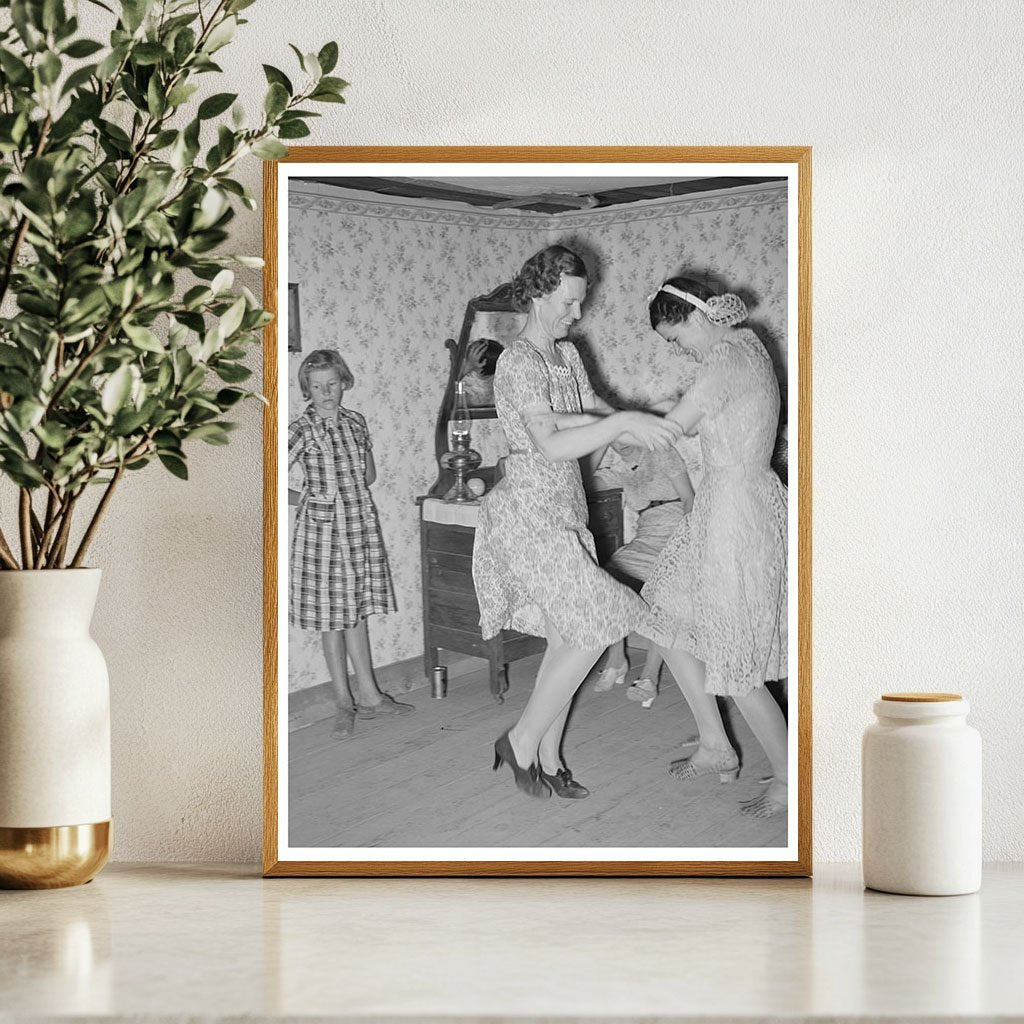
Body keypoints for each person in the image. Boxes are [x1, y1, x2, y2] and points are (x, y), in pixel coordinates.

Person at [472, 245, 683, 799]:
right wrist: (625, 425)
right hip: (527, 515)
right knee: (599, 623)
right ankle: (519, 742)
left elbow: (592, 413)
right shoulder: (516, 361)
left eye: (581, 303)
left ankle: (546, 754)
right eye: (569, 302)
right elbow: (550, 439)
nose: (576, 314)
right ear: (540, 292)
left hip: (566, 511)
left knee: (571, 635)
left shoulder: (565, 355)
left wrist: (657, 423)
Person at [640, 278, 789, 818]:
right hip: (728, 502)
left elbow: (672, 429)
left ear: (696, 317)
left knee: (735, 656)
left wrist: (606, 420)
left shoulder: (725, 357)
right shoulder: (747, 346)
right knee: (663, 618)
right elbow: (709, 411)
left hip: (735, 513)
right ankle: (715, 744)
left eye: (676, 337)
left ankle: (787, 775)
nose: (680, 349)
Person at [289, 348, 414, 739]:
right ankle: (344, 702)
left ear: (343, 382)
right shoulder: (301, 429)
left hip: (359, 526)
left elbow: (369, 475)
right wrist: (309, 500)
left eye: (332, 384)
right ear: (306, 390)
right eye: (317, 387)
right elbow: (269, 476)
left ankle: (372, 696)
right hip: (322, 534)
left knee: (356, 612)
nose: (326, 393)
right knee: (332, 618)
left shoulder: (356, 423)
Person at [592, 445, 694, 707]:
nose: (621, 443)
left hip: (676, 534)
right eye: (614, 437)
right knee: (607, 580)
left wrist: (689, 543)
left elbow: (689, 499)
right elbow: (581, 482)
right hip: (644, 539)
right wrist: (598, 443)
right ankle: (617, 658)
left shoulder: (661, 453)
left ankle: (650, 676)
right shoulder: (621, 471)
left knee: (663, 592)